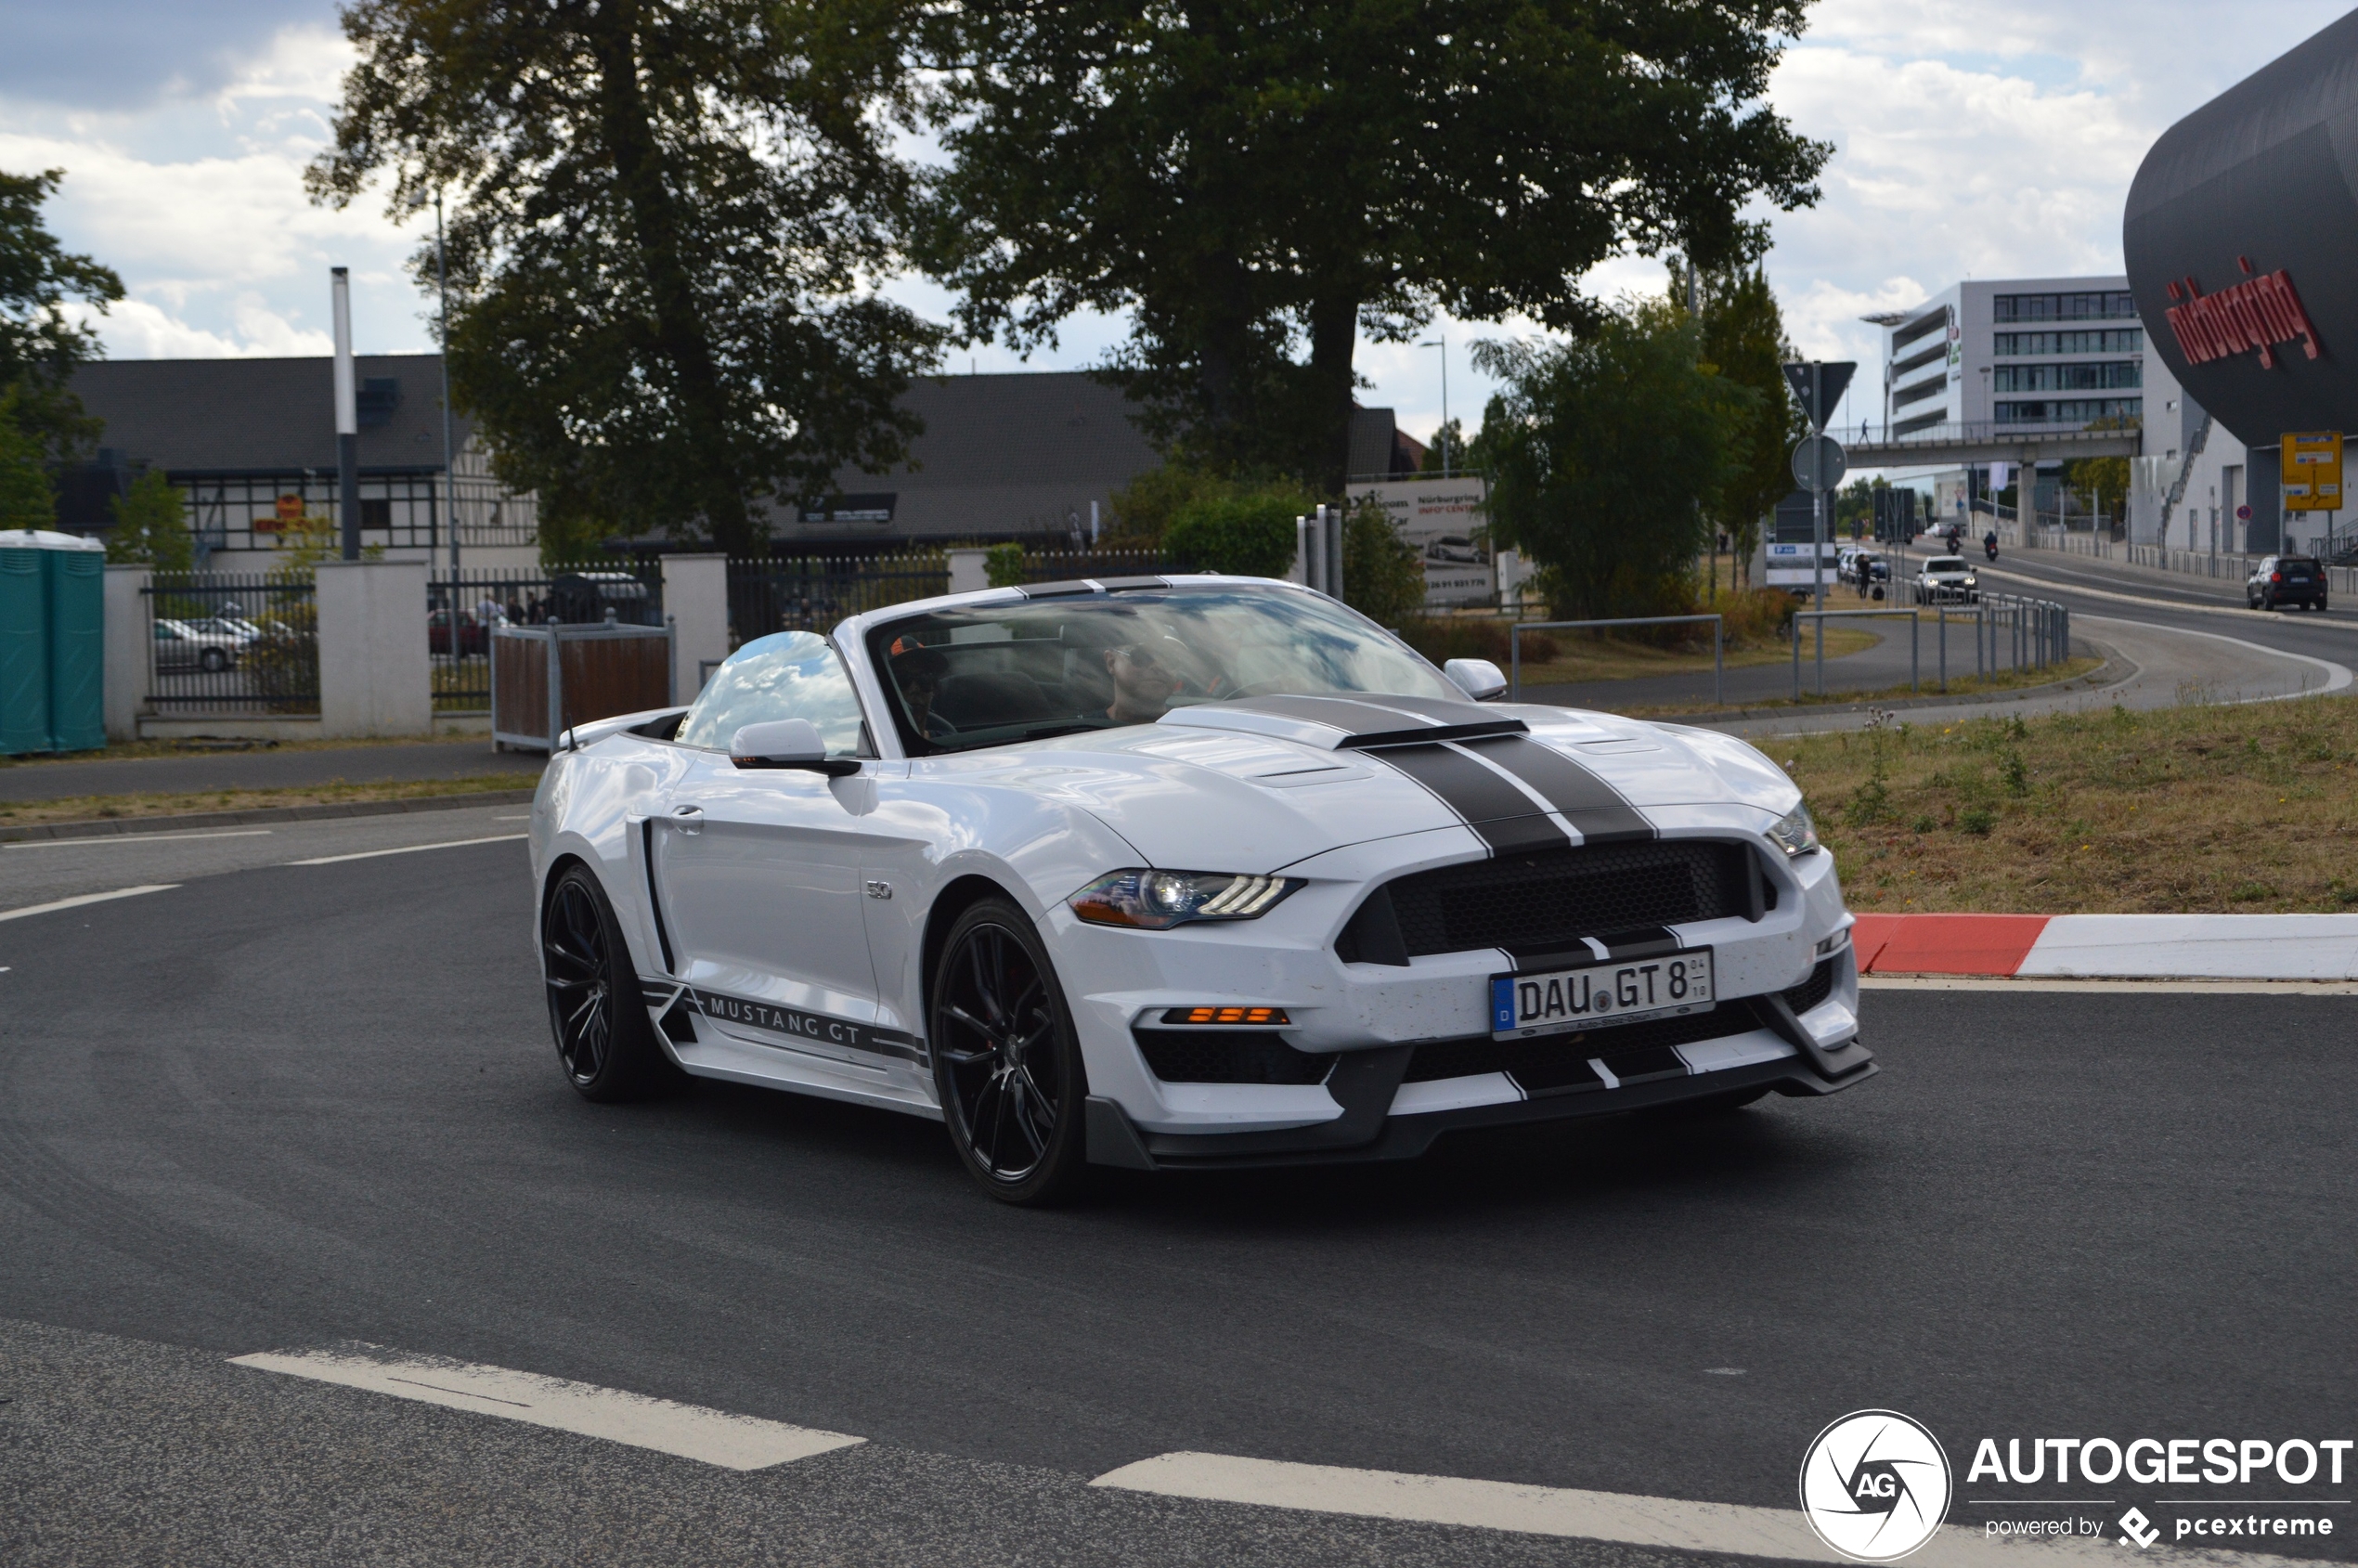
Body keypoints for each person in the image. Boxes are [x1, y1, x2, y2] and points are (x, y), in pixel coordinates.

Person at [1104, 641, 1177, 724]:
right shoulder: (1089, 732)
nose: (1158, 666)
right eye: (1140, 657)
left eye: (1169, 659)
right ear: (1111, 662)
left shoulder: (1190, 725)